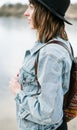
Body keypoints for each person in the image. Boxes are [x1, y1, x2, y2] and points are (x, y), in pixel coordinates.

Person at [9, 0, 72, 130]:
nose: (26, 13)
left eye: (31, 7)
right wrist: (26, 78)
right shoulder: (59, 42)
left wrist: (18, 92)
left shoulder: (50, 53)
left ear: (45, 13)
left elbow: (49, 113)